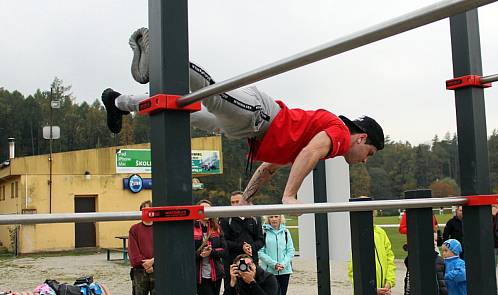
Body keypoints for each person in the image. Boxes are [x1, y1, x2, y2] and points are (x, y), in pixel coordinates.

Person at [101, 27, 385, 206]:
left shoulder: (305, 142)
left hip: (246, 129)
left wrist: (245, 200)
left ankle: (118, 101)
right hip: (258, 116)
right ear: (361, 137)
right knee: (212, 94)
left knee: (179, 111)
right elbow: (310, 154)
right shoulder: (336, 133)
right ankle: (163, 54)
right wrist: (290, 196)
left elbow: (267, 168)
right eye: (369, 152)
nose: (364, 160)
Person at [219, 191, 265, 295]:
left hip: (251, 263)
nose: (234, 205)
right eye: (232, 202)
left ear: (245, 202)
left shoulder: (255, 218)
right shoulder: (226, 219)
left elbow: (260, 240)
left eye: (237, 202)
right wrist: (241, 247)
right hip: (231, 263)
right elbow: (224, 242)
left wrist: (252, 247)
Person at [194, 200, 236, 295]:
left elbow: (224, 252)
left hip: (215, 275)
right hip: (199, 277)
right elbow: (185, 254)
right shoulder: (190, 228)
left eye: (209, 210)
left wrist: (211, 252)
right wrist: (200, 254)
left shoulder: (217, 228)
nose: (206, 213)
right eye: (203, 210)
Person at [127, 200, 156, 295]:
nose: (147, 212)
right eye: (144, 210)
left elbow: (165, 248)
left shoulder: (160, 228)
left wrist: (153, 261)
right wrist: (145, 263)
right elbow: (133, 253)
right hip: (139, 271)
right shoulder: (134, 229)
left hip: (158, 269)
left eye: (150, 210)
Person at [258, 215, 295, 295]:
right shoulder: (263, 232)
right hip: (269, 271)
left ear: (280, 218)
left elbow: (290, 251)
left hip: (284, 271)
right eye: (271, 217)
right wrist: (273, 264)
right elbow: (260, 252)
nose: (274, 219)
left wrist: (283, 264)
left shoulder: (286, 232)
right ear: (268, 219)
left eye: (276, 216)